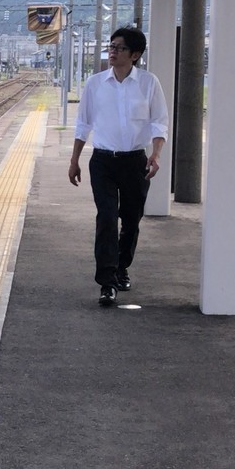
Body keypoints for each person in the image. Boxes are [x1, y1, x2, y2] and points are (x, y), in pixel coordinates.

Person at [68, 26, 168, 307]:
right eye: (111, 46)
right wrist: (74, 160)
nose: (112, 52)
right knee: (107, 218)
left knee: (131, 219)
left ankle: (122, 267)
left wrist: (156, 154)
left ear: (135, 54)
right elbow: (83, 124)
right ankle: (107, 281)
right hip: (103, 161)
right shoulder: (95, 84)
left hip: (136, 161)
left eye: (119, 48)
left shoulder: (149, 83)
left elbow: (159, 122)